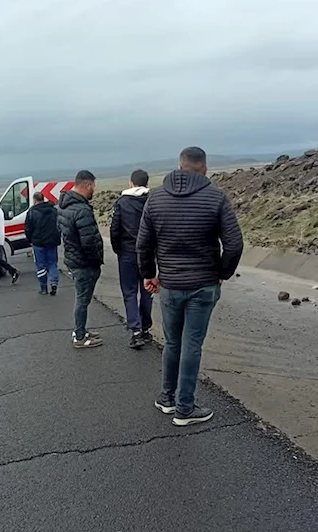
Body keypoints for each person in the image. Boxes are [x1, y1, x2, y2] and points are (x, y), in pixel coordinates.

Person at [137, 147, 244, 426]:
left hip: (170, 284)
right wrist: (222, 273)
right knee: (192, 344)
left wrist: (149, 274)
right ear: (204, 169)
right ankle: (185, 408)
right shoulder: (217, 198)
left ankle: (167, 398)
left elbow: (143, 243)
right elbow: (234, 244)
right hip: (203, 285)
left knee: (173, 342)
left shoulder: (156, 198)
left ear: (179, 166)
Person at [58, 170, 104, 349]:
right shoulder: (82, 210)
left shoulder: (63, 207)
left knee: (81, 298)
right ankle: (79, 336)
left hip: (73, 259)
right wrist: (95, 261)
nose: (94, 189)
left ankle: (81, 330)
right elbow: (89, 241)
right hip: (84, 263)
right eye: (93, 186)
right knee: (82, 300)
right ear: (88, 185)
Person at [111, 169, 153, 349]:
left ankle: (135, 331)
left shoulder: (121, 203)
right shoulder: (152, 201)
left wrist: (118, 250)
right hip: (148, 254)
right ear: (147, 183)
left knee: (129, 292)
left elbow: (115, 229)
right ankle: (145, 327)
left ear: (131, 183)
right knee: (147, 291)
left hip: (127, 253)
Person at [24, 191, 61, 295]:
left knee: (40, 265)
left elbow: (27, 228)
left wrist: (30, 240)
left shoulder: (32, 212)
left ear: (34, 200)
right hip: (52, 242)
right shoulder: (54, 211)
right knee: (52, 263)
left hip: (38, 243)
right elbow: (59, 225)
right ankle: (54, 283)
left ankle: (43, 288)